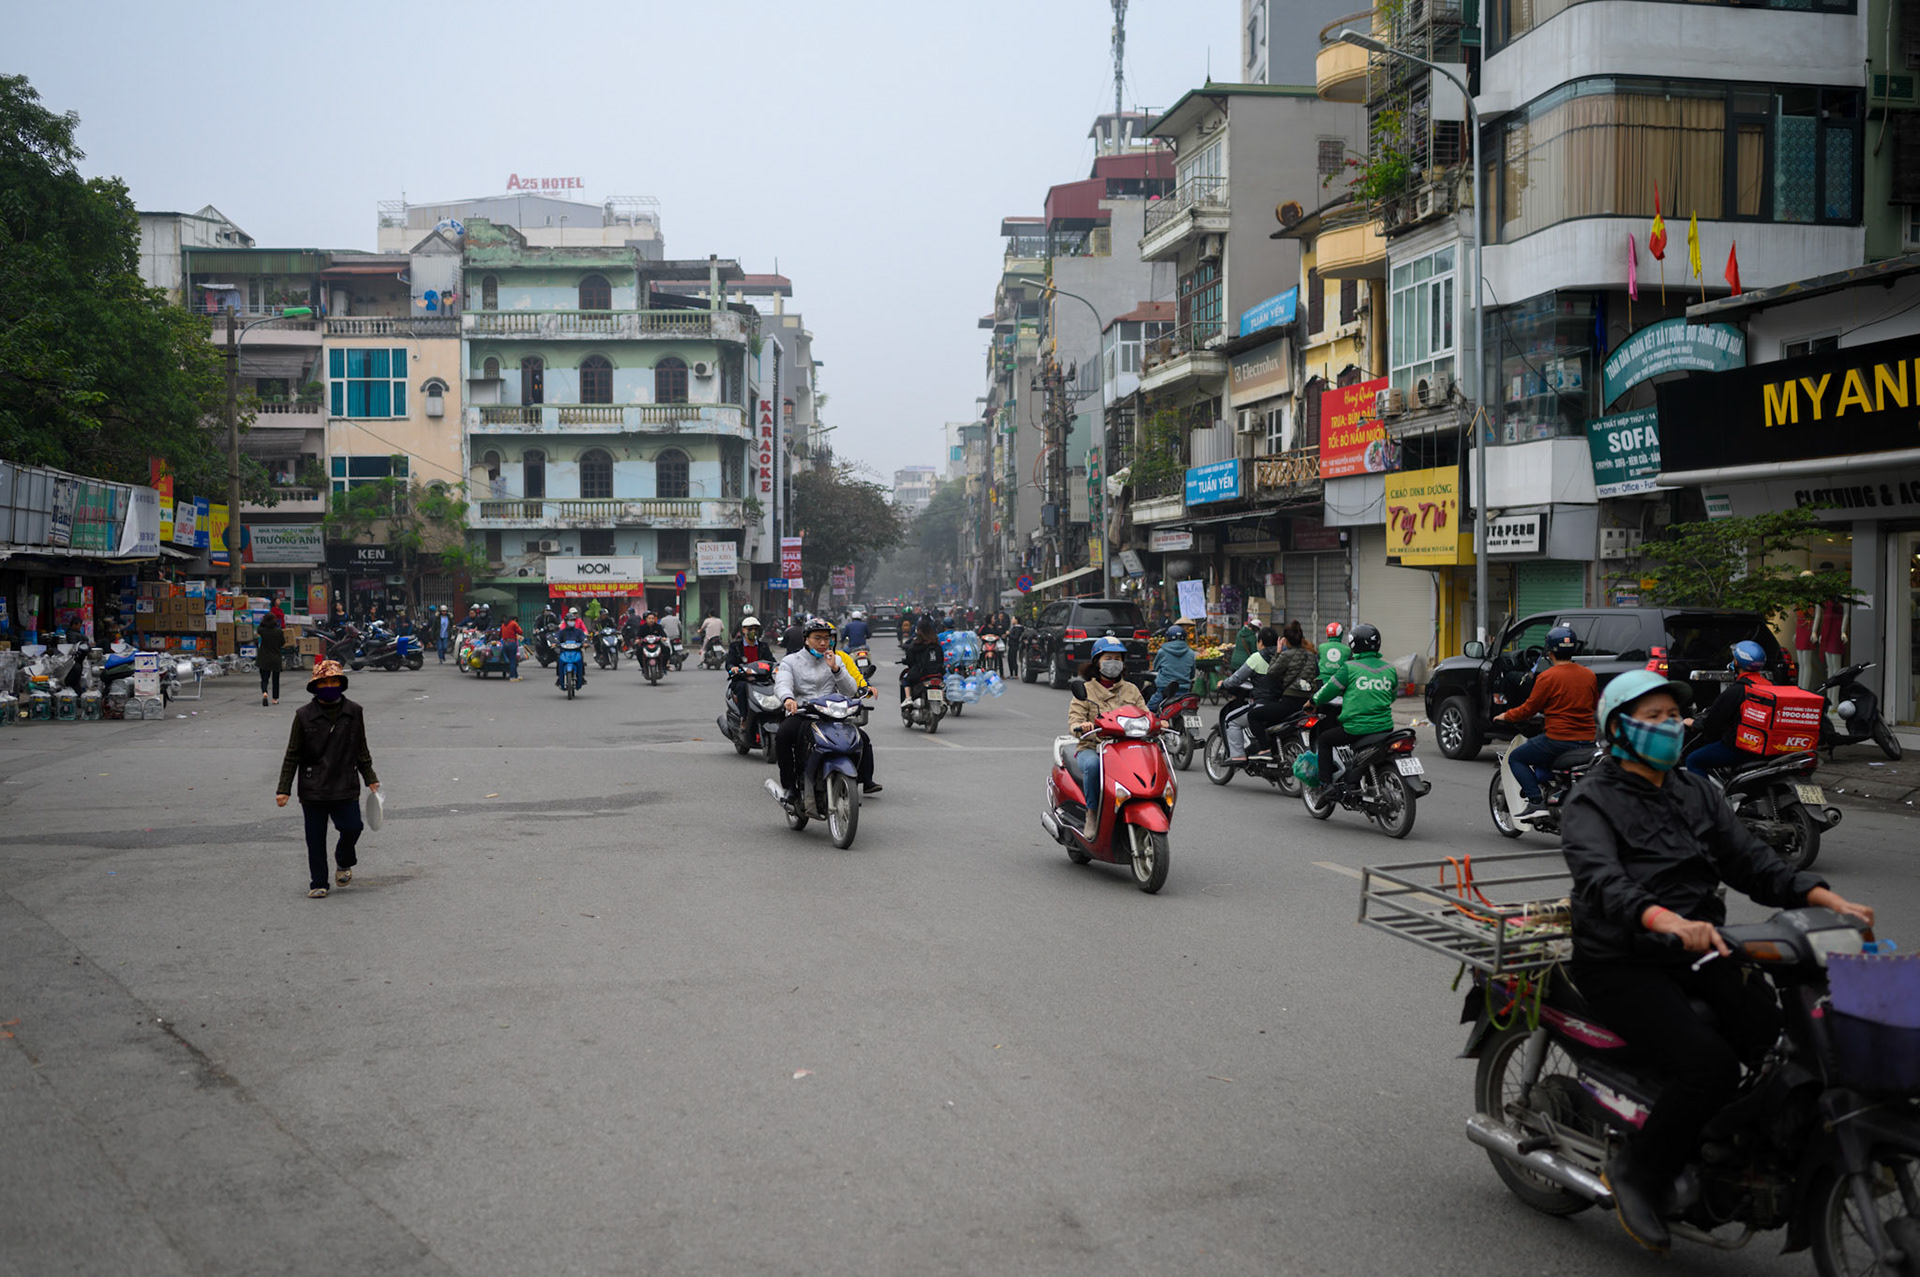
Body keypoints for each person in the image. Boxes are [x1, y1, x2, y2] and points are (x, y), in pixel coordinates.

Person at [1559, 669, 1873, 1253]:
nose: (1669, 727)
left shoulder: (1695, 791)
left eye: (1673, 717)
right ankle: (1637, 1172)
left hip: (1698, 948)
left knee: (1772, 1037)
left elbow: (1751, 861)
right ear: (1618, 730)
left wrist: (1821, 895)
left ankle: (1719, 1146)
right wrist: (1663, 919)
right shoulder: (1591, 798)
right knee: (1709, 1065)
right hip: (1621, 958)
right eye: (1651, 718)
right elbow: (1601, 879)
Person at [274, 660, 380, 900]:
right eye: (324, 682)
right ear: (316, 686)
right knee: (315, 838)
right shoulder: (303, 716)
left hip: (345, 782)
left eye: (334, 681)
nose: (329, 685)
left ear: (341, 684)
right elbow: (292, 753)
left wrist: (370, 777)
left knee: (353, 827)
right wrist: (284, 789)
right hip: (313, 786)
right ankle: (318, 882)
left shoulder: (354, 711)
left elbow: (361, 747)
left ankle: (344, 859)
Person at [1495, 624, 1599, 818]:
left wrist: (1506, 716)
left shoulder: (1547, 677)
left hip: (1559, 740)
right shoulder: (1589, 675)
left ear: (1549, 652)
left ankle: (1536, 801)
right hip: (1588, 741)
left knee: (1516, 758)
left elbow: (1528, 709)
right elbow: (1592, 706)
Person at [771, 618, 878, 802]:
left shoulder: (836, 660)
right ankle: (789, 786)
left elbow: (850, 691)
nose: (822, 643)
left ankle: (863, 779)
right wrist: (788, 699)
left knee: (861, 737)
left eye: (826, 639)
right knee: (783, 735)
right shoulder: (791, 661)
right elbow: (783, 683)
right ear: (806, 639)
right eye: (817, 638)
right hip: (803, 713)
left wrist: (836, 670)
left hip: (831, 715)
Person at [1067, 637, 1150, 836]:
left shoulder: (1131, 689)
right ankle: (1092, 813)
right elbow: (1074, 721)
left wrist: (1157, 722)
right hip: (1092, 747)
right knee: (1093, 767)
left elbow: (1145, 714)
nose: (1113, 662)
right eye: (1108, 657)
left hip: (1126, 748)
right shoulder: (1086, 690)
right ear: (1097, 661)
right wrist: (1082, 725)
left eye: (1117, 658)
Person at [1310, 622, 1398, 791]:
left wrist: (1312, 702)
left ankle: (1326, 785)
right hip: (1385, 727)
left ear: (1353, 645)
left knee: (1324, 740)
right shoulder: (1390, 669)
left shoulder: (1349, 668)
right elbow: (1391, 696)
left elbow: (1329, 691)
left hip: (1356, 728)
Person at [1681, 640, 1771, 777]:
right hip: (1768, 746)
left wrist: (1694, 723)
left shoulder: (1736, 690)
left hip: (1743, 748)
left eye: (1734, 658)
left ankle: (1706, 798)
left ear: (1737, 663)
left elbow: (1714, 722)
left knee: (1693, 760)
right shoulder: (1771, 686)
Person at [1219, 627, 1284, 761]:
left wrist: (1223, 684)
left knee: (1231, 720)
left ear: (1260, 642)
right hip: (1283, 705)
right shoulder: (1285, 656)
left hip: (1263, 705)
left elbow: (1236, 679)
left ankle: (1238, 756)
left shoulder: (1257, 657)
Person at [726, 616, 773, 726]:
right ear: (743, 630)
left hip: (761, 679)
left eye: (755, 629)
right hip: (742, 679)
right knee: (742, 687)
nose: (753, 631)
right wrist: (733, 668)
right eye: (750, 629)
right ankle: (744, 717)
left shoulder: (764, 647)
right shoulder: (735, 647)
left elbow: (771, 661)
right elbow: (729, 663)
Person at [1148, 625, 1195, 712]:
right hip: (1184, 691)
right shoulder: (1191, 653)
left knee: (1150, 710)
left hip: (1164, 690)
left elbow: (1155, 667)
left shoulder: (1162, 652)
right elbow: (1192, 674)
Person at [900, 618, 944, 705]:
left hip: (921, 672)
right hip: (937, 672)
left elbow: (911, 660)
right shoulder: (936, 643)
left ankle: (908, 698)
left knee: (905, 679)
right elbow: (941, 658)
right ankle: (942, 700)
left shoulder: (916, 644)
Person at [556, 607, 590, 688]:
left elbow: (583, 638)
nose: (571, 622)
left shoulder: (579, 631)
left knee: (581, 662)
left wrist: (585, 643)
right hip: (564, 651)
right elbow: (557, 638)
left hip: (576, 651)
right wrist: (555, 643)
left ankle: (581, 677)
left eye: (573, 620)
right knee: (558, 662)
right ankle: (559, 677)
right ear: (566, 622)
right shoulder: (562, 632)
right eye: (569, 620)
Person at [256, 610, 285, 706]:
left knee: (264, 678)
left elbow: (259, 628)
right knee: (275, 680)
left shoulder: (262, 631)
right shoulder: (278, 631)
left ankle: (265, 692)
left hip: (264, 658)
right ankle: (275, 698)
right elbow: (282, 643)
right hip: (275, 658)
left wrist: (263, 622)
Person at [499, 613, 523, 681]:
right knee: (513, 661)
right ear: (514, 619)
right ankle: (512, 677)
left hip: (505, 643)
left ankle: (516, 675)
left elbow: (500, 634)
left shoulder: (503, 625)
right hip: (512, 643)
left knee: (511, 661)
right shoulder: (513, 623)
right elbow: (520, 632)